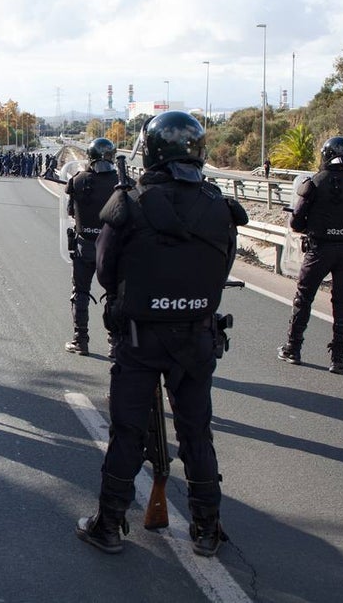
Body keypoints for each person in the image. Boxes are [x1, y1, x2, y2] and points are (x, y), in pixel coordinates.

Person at [77, 111, 248, 557]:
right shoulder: (220, 206)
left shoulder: (129, 202)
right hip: (197, 338)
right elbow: (223, 268)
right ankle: (207, 528)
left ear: (151, 151)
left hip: (139, 339)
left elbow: (105, 271)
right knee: (197, 433)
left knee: (127, 433)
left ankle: (109, 523)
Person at [278, 136, 343, 373]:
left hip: (319, 249)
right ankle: (339, 358)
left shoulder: (314, 183)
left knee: (304, 297)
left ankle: (293, 348)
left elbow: (296, 223)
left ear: (325, 155)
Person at [63, 137, 119, 357]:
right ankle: (115, 343)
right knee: (115, 295)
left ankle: (81, 340)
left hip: (85, 246)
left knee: (80, 293)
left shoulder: (78, 181)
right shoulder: (122, 182)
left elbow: (70, 211)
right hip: (113, 249)